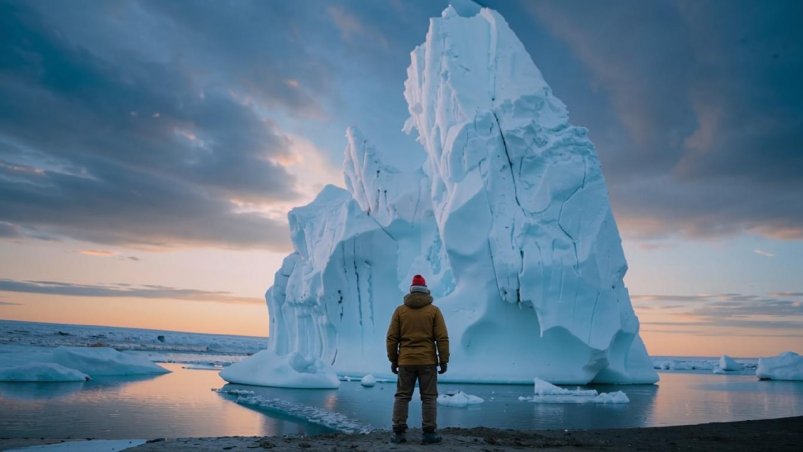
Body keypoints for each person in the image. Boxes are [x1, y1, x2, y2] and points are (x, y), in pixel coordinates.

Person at [386, 274, 449, 444]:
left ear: (411, 290)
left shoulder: (400, 311)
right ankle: (429, 434)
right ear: (426, 289)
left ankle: (398, 434)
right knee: (428, 397)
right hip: (427, 361)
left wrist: (394, 360)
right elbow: (441, 338)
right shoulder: (434, 311)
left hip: (406, 361)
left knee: (402, 396)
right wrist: (443, 360)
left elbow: (392, 338)